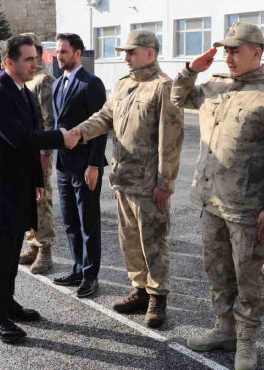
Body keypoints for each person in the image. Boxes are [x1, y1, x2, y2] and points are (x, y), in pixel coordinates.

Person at [172, 22, 264, 370]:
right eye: (225, 50)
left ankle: (247, 342)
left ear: (257, 52)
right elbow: (177, 97)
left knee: (248, 277)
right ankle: (224, 329)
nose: (228, 56)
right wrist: (190, 70)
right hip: (211, 200)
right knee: (217, 272)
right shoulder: (215, 87)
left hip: (246, 208)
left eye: (234, 50)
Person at [0, 34, 76, 343]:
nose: (35, 63)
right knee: (2, 253)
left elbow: (31, 138)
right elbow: (19, 137)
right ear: (9, 63)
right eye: (28, 59)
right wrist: (61, 137)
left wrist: (37, 182)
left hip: (18, 184)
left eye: (35, 58)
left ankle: (8, 303)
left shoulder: (24, 93)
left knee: (13, 249)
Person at [70, 30, 183, 327]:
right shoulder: (122, 85)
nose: (126, 57)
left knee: (154, 242)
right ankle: (140, 290)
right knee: (130, 240)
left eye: (132, 52)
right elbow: (104, 117)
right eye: (125, 52)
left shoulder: (163, 87)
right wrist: (80, 132)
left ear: (150, 52)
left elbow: (170, 141)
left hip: (148, 184)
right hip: (123, 179)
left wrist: (164, 183)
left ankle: (158, 296)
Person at [51, 33, 108, 298]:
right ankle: (77, 267)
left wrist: (94, 164)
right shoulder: (57, 84)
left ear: (77, 53)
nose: (59, 56)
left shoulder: (91, 84)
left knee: (88, 222)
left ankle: (90, 275)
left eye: (63, 51)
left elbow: (101, 127)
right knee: (70, 221)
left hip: (86, 165)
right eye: (57, 51)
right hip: (63, 164)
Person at [20, 33, 58, 274]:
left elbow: (49, 121)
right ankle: (32, 244)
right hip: (24, 150)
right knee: (27, 199)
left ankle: (45, 249)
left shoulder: (44, 80)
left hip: (39, 152)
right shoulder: (26, 79)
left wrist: (45, 153)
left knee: (42, 200)